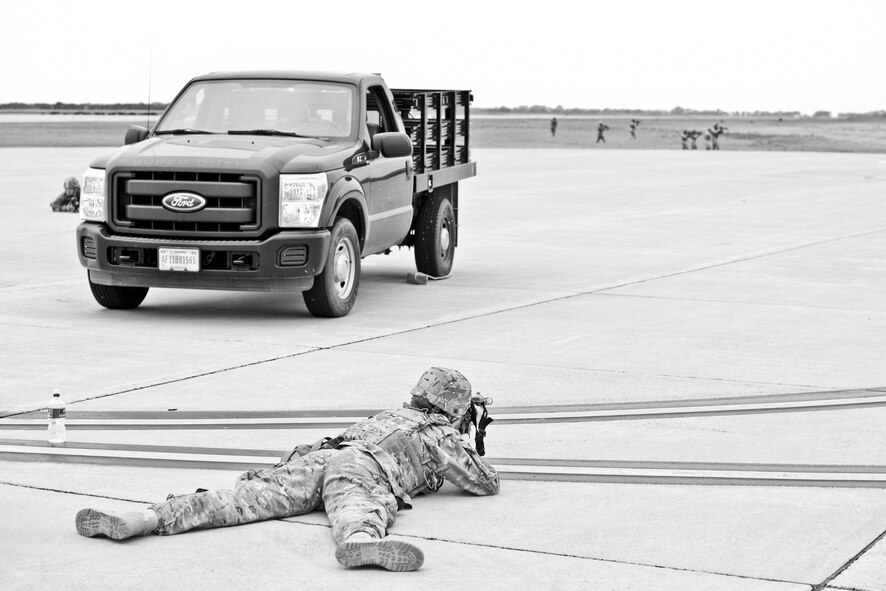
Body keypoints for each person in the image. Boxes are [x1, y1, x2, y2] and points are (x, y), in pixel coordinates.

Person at [74, 367, 499, 572]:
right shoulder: (438, 432)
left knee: (238, 501)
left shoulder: (390, 414)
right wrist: (462, 440)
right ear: (454, 407)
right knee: (356, 502)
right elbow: (484, 483)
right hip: (360, 466)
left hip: (318, 457)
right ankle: (360, 540)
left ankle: (145, 518)